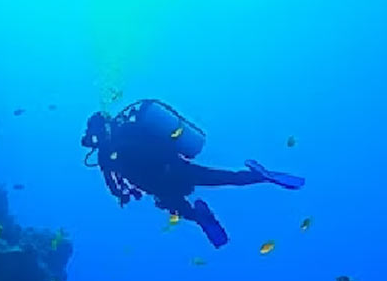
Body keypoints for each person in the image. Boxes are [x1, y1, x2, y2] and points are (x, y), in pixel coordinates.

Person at [81, 99, 304, 247]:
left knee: (180, 206)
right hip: (175, 171)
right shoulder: (124, 132)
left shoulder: (107, 151)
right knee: (223, 178)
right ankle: (262, 177)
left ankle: (200, 218)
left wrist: (124, 195)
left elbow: (114, 185)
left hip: (160, 185)